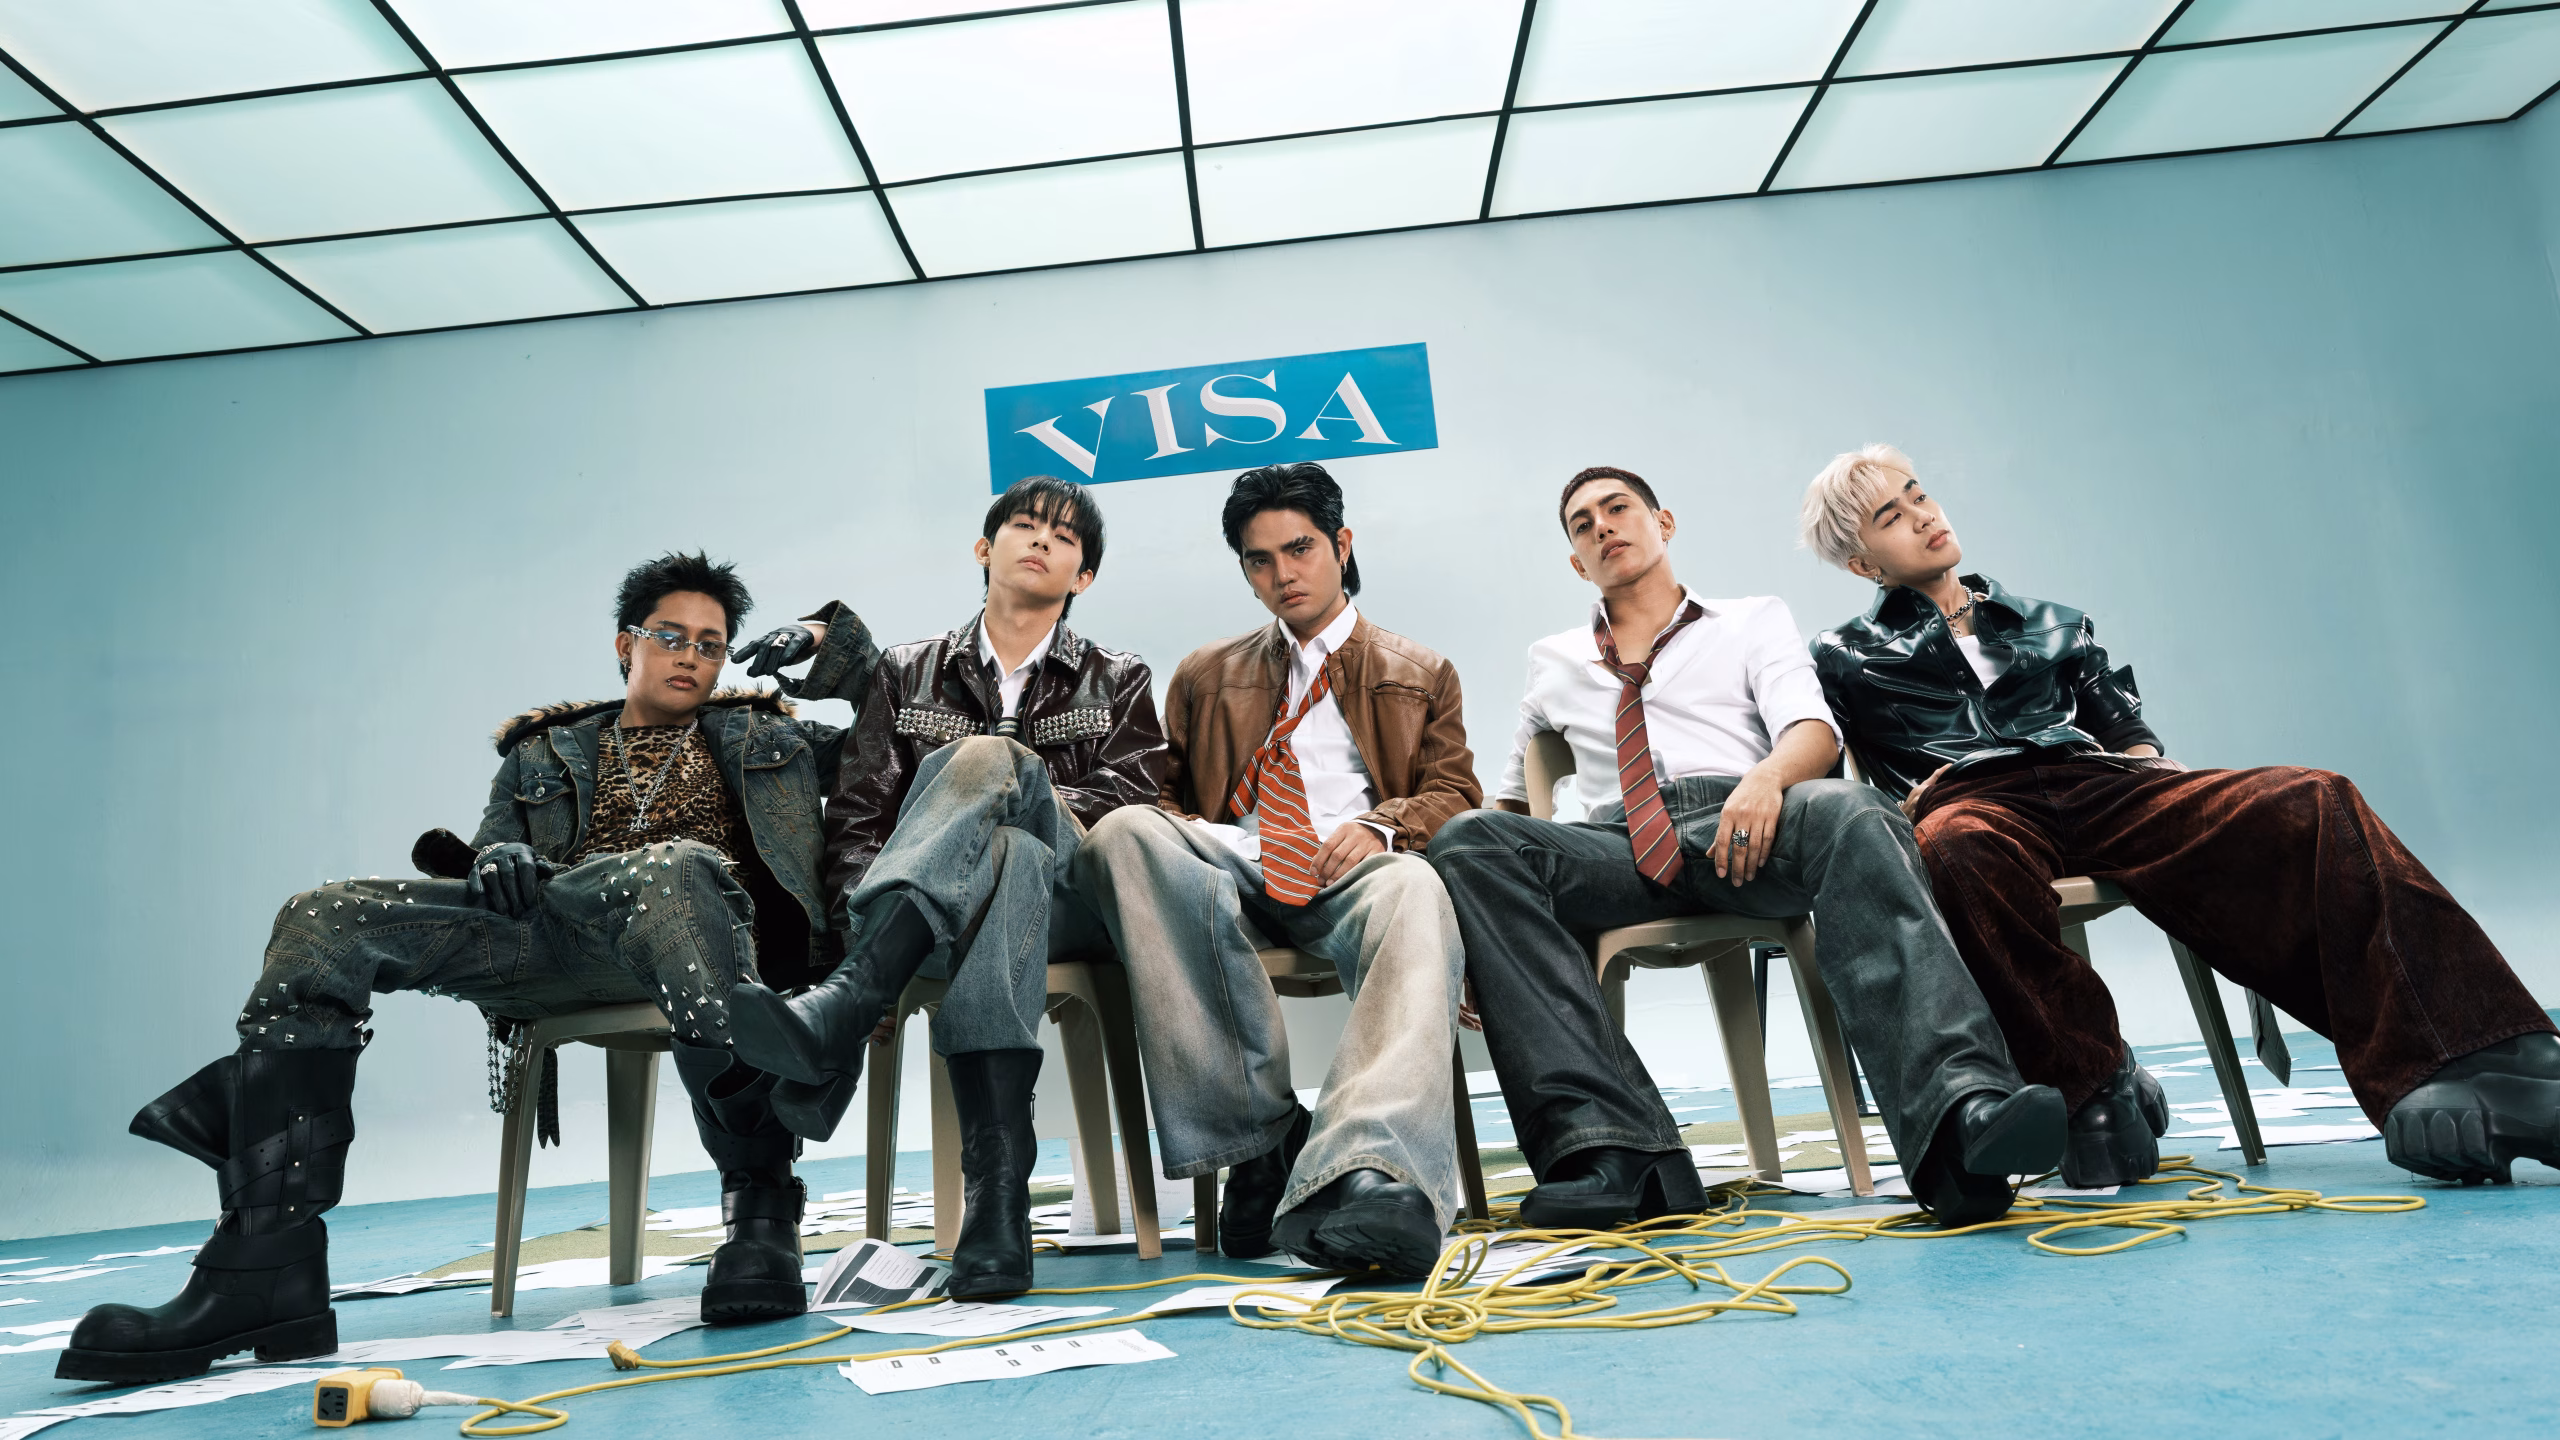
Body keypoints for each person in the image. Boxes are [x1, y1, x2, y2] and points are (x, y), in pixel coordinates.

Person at [58, 554, 876, 1384]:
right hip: (546, 941)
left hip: (699, 943)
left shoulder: (770, 737)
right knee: (323, 915)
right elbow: (490, 852)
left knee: (676, 866)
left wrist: (827, 640)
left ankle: (760, 1211)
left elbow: (894, 737)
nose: (691, 656)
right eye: (671, 636)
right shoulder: (540, 752)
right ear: (625, 644)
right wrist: (497, 857)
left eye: (710, 643)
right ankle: (266, 1262)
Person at [1800, 443, 2560, 1186]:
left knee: (2315, 797)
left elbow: (2128, 732)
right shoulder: (1840, 655)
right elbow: (1834, 777)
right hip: (1972, 802)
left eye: (1920, 495)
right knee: (1954, 846)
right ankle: (2093, 1084)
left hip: (2099, 783)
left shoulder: (2053, 620)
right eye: (1891, 516)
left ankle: (2477, 1057)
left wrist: (2161, 786)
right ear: (1863, 564)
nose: (1923, 516)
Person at [1427, 467, 2066, 1232]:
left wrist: (1766, 780)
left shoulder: (1751, 618)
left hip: (1747, 823)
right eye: (1583, 524)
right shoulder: (1554, 657)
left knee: (1854, 811)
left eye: (1618, 508)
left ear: (1664, 522)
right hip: (1617, 848)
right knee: (1467, 842)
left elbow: (1812, 731)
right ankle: (1614, 1154)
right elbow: (1509, 801)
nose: (1603, 526)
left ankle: (1961, 1121)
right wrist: (1475, 928)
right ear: (1576, 562)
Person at [724, 476, 1166, 1299]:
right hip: (950, 912)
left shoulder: (1121, 675)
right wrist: (862, 920)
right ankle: (997, 1203)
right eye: (1025, 525)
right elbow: (858, 820)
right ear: (984, 549)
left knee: (995, 768)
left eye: (1065, 537)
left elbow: (1135, 805)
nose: (1042, 540)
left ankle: (852, 998)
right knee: (1009, 859)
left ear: (1084, 576)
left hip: (1078, 900)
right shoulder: (904, 671)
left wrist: (1015, 780)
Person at [1071, 463, 1478, 1278]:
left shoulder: (1420, 670)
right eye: (1259, 560)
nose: (1283, 573)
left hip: (1348, 867)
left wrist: (1383, 824)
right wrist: (1186, 827)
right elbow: (1160, 794)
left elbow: (1454, 792)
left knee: (1413, 883)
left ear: (1341, 545)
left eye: (1300, 549)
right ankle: (1262, 1136)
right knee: (1123, 833)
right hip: (1232, 866)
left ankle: (1372, 1172)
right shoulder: (1204, 674)